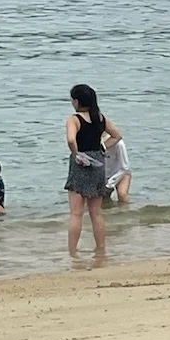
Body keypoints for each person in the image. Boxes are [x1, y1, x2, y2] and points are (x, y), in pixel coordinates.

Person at [65, 83, 122, 260]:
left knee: (76, 213)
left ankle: (73, 252)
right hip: (98, 161)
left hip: (81, 163)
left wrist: (76, 154)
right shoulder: (100, 118)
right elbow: (117, 135)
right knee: (96, 212)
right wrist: (103, 146)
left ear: (76, 101)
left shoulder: (74, 119)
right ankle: (101, 248)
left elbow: (71, 139)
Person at [102, 134, 132, 205]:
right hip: (104, 174)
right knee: (103, 200)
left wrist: (110, 184)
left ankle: (125, 213)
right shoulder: (95, 144)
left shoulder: (119, 144)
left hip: (121, 173)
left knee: (122, 195)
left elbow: (125, 167)